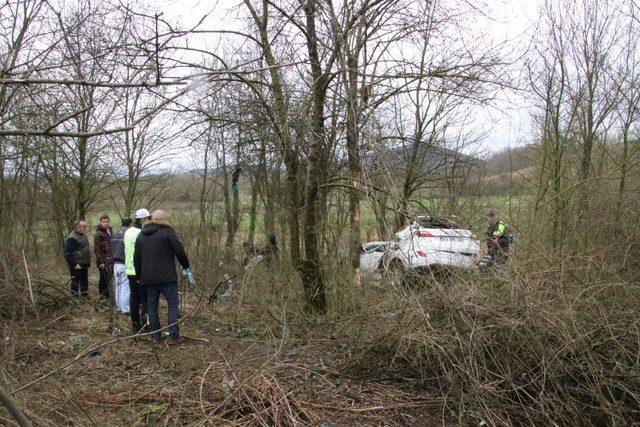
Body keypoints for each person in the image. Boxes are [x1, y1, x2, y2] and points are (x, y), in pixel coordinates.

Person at [134, 210, 191, 345]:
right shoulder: (167, 232)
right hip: (167, 277)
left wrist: (139, 276)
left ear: (152, 219)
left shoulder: (141, 235)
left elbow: (136, 258)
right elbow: (179, 250)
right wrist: (186, 266)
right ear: (164, 219)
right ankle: (173, 336)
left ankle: (155, 336)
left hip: (148, 278)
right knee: (172, 305)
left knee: (152, 306)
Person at [126, 209, 151, 334]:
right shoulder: (141, 233)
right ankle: (146, 325)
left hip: (130, 271)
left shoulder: (128, 231)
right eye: (149, 218)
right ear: (143, 219)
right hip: (140, 271)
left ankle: (135, 325)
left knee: (134, 299)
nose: (150, 220)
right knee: (145, 299)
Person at [64, 219, 91, 297]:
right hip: (76, 264)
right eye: (80, 226)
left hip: (83, 263)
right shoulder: (72, 238)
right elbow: (68, 254)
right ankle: (75, 298)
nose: (82, 228)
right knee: (75, 281)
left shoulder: (83, 235)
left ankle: (84, 296)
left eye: (84, 226)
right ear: (75, 227)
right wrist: (75, 264)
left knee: (84, 281)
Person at [112, 218, 132, 314]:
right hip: (124, 263)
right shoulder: (127, 234)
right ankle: (125, 309)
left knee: (118, 286)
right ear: (130, 224)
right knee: (125, 286)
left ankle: (119, 307)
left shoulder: (114, 234)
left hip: (115, 263)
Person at [94, 214, 112, 299]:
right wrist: (100, 261)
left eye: (107, 221)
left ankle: (107, 293)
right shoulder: (98, 234)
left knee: (109, 278)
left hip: (110, 259)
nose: (105, 223)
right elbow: (97, 249)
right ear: (100, 222)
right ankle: (103, 295)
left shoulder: (110, 232)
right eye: (103, 221)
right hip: (102, 259)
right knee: (103, 278)